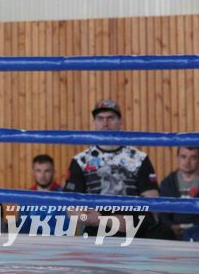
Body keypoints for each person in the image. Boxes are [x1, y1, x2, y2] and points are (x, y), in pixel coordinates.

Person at [64, 99, 174, 240]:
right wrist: (106, 221)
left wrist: (128, 219)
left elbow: (152, 203)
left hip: (133, 225)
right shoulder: (81, 161)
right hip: (96, 227)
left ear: (120, 122)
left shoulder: (139, 158)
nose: (105, 124)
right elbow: (71, 210)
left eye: (110, 118)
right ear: (94, 123)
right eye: (100, 119)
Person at [17, 154, 67, 234]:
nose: (43, 176)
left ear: (54, 172)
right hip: (32, 244)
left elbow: (65, 231)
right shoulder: (26, 197)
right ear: (33, 172)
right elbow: (23, 230)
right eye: (38, 171)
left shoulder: (64, 196)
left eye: (47, 171)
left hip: (59, 244)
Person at [158, 146, 198, 241]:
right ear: (178, 158)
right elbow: (162, 213)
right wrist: (171, 226)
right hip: (171, 230)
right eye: (183, 157)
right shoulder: (167, 183)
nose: (187, 162)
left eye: (193, 158)